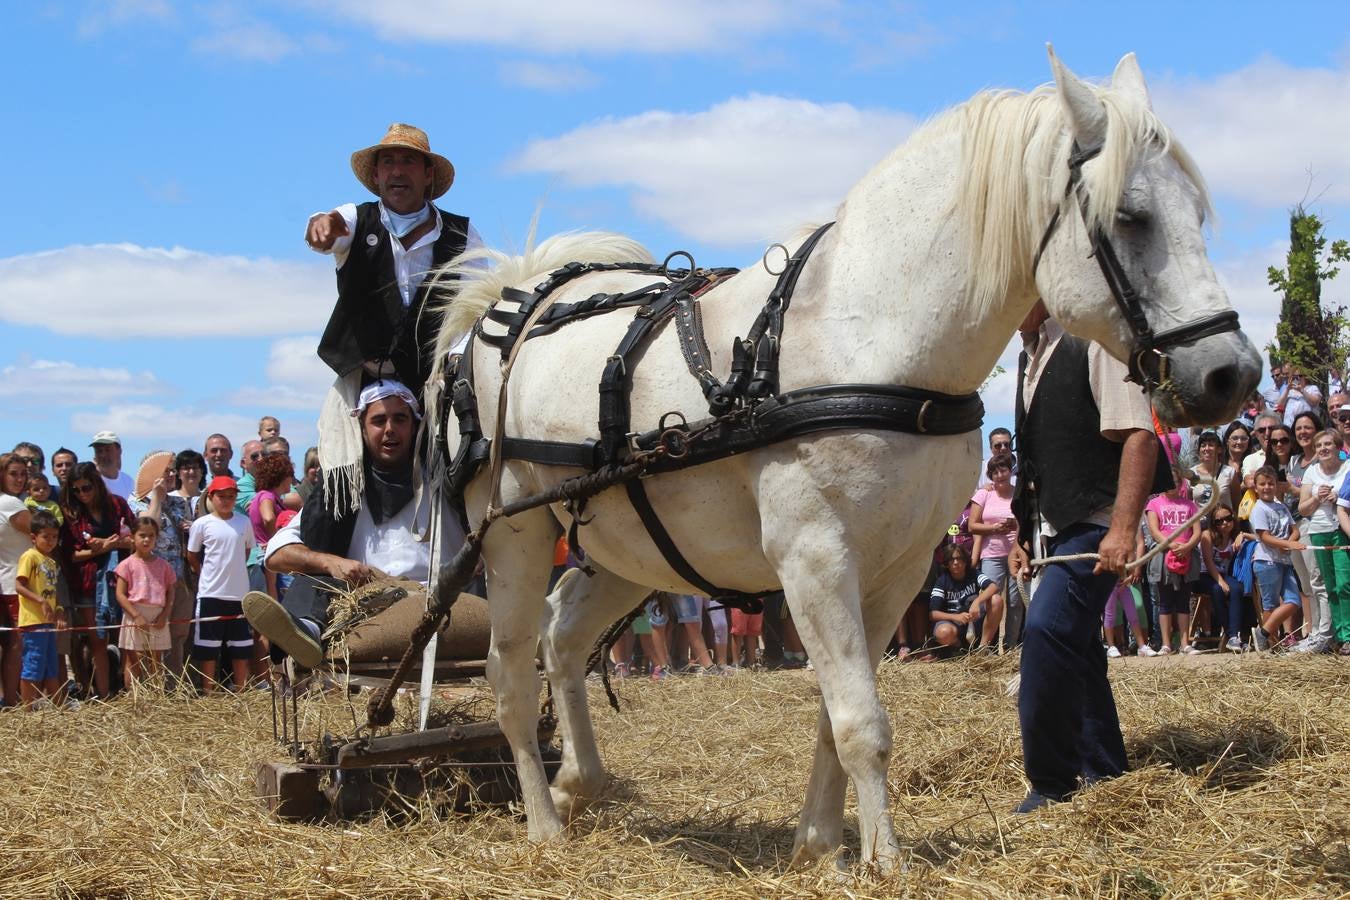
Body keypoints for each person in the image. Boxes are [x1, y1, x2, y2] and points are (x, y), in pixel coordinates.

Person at [1007, 300, 1170, 814]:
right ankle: (1106, 768)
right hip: (1055, 530)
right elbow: (1040, 455)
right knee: (1076, 647)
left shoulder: (1093, 339)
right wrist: (1024, 534)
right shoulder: (1027, 356)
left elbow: (1140, 434)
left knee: (1046, 632)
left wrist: (1124, 528)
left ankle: (1053, 783)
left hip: (1096, 525)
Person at [244, 381, 464, 668]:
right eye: (378, 420)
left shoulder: (444, 485)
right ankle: (306, 631)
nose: (389, 429)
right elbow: (275, 553)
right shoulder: (342, 491)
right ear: (361, 429)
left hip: (433, 601)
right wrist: (331, 562)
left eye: (400, 419)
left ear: (414, 426)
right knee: (318, 567)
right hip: (367, 604)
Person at [308, 123, 480, 394]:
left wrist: (454, 361)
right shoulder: (357, 219)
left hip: (434, 384)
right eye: (388, 162)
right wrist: (321, 226)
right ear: (376, 175)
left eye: (409, 161)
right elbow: (330, 226)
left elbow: (475, 306)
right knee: (339, 437)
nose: (397, 171)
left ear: (428, 175)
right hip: (358, 381)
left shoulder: (462, 234)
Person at [60, 461, 136, 699]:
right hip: (88, 584)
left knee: (125, 640)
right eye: (77, 490)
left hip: (120, 581)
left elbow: (138, 538)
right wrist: (100, 549)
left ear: (97, 484)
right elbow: (70, 555)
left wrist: (121, 543)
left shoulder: (117, 504)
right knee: (97, 642)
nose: (82, 494)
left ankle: (127, 692)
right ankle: (103, 695)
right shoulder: (72, 514)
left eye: (87, 488)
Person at [130, 451, 197, 681]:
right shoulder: (136, 501)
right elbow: (149, 528)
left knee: (178, 634)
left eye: (171, 470)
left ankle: (174, 685)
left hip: (178, 577)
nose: (169, 475)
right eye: (164, 470)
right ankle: (150, 686)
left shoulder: (180, 502)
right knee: (151, 636)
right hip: (149, 581)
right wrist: (156, 498)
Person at [186, 476, 256, 692]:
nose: (226, 500)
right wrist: (205, 574)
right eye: (221, 496)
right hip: (210, 594)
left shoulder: (244, 522)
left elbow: (246, 551)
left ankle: (241, 690)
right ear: (211, 497)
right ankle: (208, 691)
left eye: (230, 496)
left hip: (238, 595)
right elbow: (192, 555)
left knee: (241, 647)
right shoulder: (201, 524)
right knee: (208, 646)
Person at [1297, 429, 1347, 655]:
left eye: (1328, 444)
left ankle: (1348, 634)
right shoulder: (1311, 472)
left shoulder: (1347, 468)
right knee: (1329, 586)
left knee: (1345, 583)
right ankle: (1338, 634)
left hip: (1341, 530)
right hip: (1318, 531)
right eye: (1319, 445)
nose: (1323, 448)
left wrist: (1340, 498)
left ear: (1338, 447)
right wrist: (1318, 497)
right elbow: (1302, 509)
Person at [1144, 464, 1202, 655]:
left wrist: (1186, 547)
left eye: (1176, 481)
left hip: (1186, 556)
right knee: (1165, 601)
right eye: (1170, 481)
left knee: (1184, 601)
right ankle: (1166, 644)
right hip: (1164, 556)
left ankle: (1185, 643)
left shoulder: (1190, 505)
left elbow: (1197, 532)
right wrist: (1171, 545)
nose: (1173, 485)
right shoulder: (1154, 504)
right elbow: (1154, 530)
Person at [114, 516, 176, 686]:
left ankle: (156, 698)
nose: (147, 539)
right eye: (142, 535)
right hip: (135, 614)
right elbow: (120, 594)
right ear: (133, 537)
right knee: (134, 661)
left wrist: (165, 615)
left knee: (156, 661)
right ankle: (133, 699)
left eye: (151, 536)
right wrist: (136, 616)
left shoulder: (164, 566)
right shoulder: (126, 565)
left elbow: (171, 593)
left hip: (157, 616)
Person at [1249, 466, 1306, 650]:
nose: (1267, 487)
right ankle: (1270, 644)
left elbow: (1294, 529)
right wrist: (1287, 545)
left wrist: (1288, 542)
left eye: (1270, 483)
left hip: (1284, 561)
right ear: (1256, 487)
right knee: (1270, 604)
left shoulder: (1281, 507)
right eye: (1262, 484)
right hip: (1266, 561)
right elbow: (1263, 536)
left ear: (1276, 485)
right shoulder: (1258, 508)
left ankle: (1263, 634)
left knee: (1293, 600)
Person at [969, 456, 1023, 649]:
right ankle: (986, 647)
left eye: (1003, 471)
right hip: (991, 555)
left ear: (1010, 471)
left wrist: (1014, 524)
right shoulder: (984, 494)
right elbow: (972, 526)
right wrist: (994, 529)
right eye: (995, 472)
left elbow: (1027, 521)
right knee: (991, 600)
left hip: (1016, 554)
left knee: (1016, 602)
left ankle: (1010, 646)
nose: (999, 476)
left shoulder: (1018, 494)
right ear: (990, 475)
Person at [14, 509, 65, 708]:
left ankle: (59, 707)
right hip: (33, 622)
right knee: (32, 667)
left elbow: (51, 593)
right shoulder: (30, 556)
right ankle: (27, 712)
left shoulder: (51, 562)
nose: (51, 541)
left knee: (51, 666)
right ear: (34, 537)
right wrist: (40, 602)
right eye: (46, 536)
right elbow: (19, 585)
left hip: (48, 622)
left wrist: (59, 609)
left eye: (55, 537)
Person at [1, 453, 36, 705]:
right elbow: (44, 529)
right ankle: (14, 701)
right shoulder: (11, 504)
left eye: (23, 474)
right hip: (18, 583)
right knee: (18, 644)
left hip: (9, 581)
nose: (20, 479)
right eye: (13, 473)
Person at [928, 544, 1002, 653]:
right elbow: (932, 614)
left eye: (959, 558)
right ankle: (960, 650)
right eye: (951, 559)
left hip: (975, 620)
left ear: (966, 560)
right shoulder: (942, 581)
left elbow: (993, 587)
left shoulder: (974, 573)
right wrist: (955, 617)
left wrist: (977, 602)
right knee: (943, 632)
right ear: (946, 563)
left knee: (996, 600)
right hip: (954, 624)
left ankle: (983, 648)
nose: (956, 562)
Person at [1199, 504, 1251, 652]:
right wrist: (1221, 583)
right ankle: (1230, 634)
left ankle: (1236, 635)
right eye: (1219, 521)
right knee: (1217, 590)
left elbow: (1260, 539)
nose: (1224, 523)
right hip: (1205, 575)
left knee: (1237, 588)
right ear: (1213, 523)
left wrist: (1245, 535)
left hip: (1225, 574)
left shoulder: (1236, 535)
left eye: (1228, 519)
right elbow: (1208, 562)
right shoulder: (1207, 535)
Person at [1190, 430, 1237, 517]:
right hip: (1200, 525)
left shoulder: (1230, 472)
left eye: (1211, 445)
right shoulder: (1191, 474)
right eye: (1203, 446)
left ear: (1219, 449)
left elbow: (1236, 504)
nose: (1207, 448)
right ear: (1199, 450)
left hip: (1223, 524)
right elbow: (1188, 503)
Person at [90, 431, 134, 499]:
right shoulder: (89, 480)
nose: (103, 455)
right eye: (99, 451)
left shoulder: (128, 482)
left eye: (107, 450)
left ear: (119, 451)